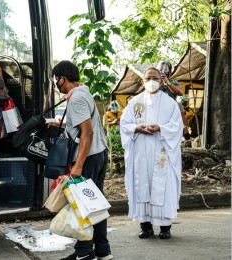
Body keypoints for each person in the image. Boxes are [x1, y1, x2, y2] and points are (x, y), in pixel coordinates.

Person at [51, 61, 112, 260]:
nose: (56, 84)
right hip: (99, 155)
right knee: (95, 203)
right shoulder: (84, 92)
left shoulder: (76, 98)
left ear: (63, 78)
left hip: (88, 157)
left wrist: (78, 165)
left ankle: (84, 252)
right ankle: (102, 251)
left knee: (83, 204)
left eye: (56, 80)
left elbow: (87, 133)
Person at [120, 67, 183, 240]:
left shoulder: (170, 103)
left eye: (155, 78)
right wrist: (136, 128)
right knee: (143, 186)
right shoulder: (134, 102)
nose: (151, 81)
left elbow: (178, 126)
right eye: (148, 78)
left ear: (162, 81)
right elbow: (124, 124)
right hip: (141, 151)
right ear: (142, 81)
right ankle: (145, 227)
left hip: (163, 150)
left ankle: (165, 228)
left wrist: (161, 128)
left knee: (164, 187)